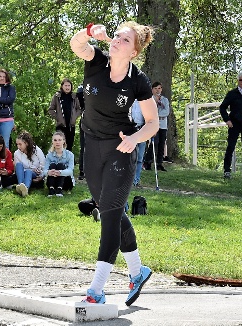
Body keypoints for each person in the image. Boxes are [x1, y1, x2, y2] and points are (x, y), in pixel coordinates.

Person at [70, 21, 159, 306]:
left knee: (109, 213)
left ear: (133, 52)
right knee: (112, 209)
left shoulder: (138, 80)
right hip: (91, 146)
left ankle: (96, 289)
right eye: (117, 36)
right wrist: (89, 32)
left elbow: (153, 123)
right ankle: (138, 271)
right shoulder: (97, 60)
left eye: (125, 39)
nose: (117, 40)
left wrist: (134, 139)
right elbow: (77, 45)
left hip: (121, 148)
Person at [47, 78, 82, 151]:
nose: (67, 87)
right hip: (60, 126)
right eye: (65, 85)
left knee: (69, 147)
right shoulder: (57, 96)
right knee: (59, 147)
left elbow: (79, 109)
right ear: (62, 86)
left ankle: (68, 162)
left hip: (71, 126)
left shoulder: (74, 96)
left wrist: (75, 117)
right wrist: (57, 117)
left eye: (69, 85)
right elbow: (50, 110)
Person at [143, 82, 169, 172]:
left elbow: (166, 112)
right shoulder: (150, 100)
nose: (158, 90)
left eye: (159, 88)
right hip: (153, 125)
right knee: (155, 143)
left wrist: (157, 114)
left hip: (163, 125)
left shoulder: (165, 100)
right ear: (152, 90)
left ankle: (159, 163)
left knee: (162, 144)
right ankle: (147, 162)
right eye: (156, 88)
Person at [13, 131, 46, 197]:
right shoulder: (17, 153)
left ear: (26, 143)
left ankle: (26, 189)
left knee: (28, 171)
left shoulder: (37, 150)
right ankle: (21, 186)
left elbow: (43, 165)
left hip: (35, 173)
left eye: (20, 144)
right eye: (17, 144)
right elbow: (18, 169)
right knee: (19, 165)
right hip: (22, 174)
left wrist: (41, 174)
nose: (18, 146)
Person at [43, 131, 75, 197]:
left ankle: (59, 189)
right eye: (55, 140)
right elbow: (44, 171)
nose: (57, 142)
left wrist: (60, 172)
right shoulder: (49, 155)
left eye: (59, 140)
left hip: (66, 182)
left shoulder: (70, 154)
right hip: (53, 181)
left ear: (63, 141)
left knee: (60, 165)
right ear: (52, 142)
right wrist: (49, 172)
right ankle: (51, 189)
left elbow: (70, 171)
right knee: (52, 165)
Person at [131, 100, 146, 187]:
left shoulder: (144, 101)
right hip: (131, 130)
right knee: (132, 157)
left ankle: (136, 180)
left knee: (140, 158)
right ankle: (130, 180)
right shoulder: (130, 99)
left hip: (142, 130)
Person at [76, 83, 86, 180]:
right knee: (84, 146)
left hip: (97, 122)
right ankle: (82, 171)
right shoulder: (81, 88)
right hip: (85, 120)